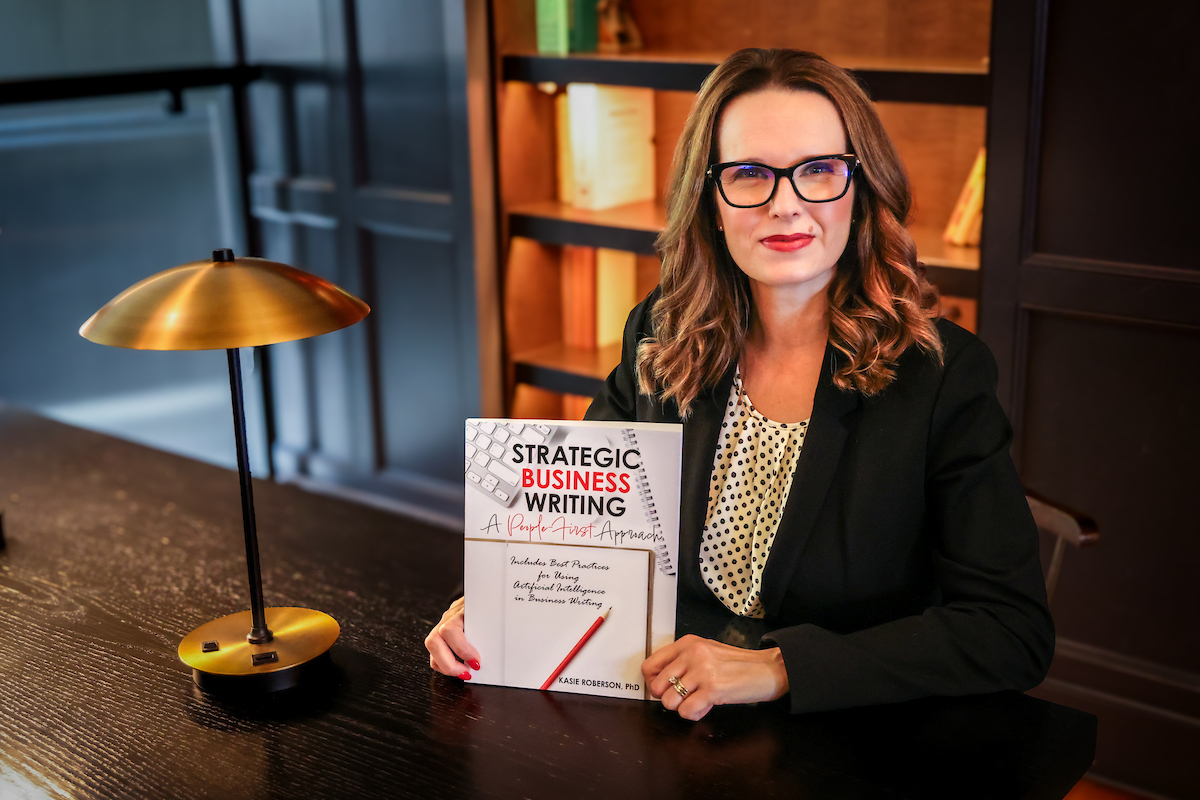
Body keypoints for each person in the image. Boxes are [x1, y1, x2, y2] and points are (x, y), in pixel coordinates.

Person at [426, 48, 1053, 721]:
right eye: (750, 173)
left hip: (852, 735)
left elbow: (1010, 631)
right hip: (672, 712)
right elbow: (572, 519)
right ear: (711, 202)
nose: (786, 205)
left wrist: (778, 669)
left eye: (818, 170)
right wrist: (491, 605)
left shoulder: (942, 376)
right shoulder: (659, 335)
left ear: (859, 191)